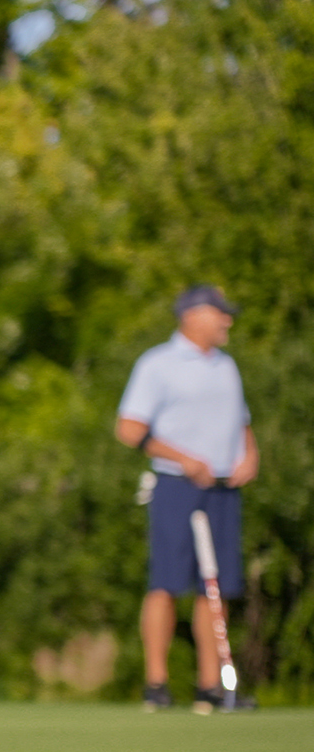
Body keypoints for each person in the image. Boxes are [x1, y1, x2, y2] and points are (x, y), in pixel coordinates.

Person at [114, 285, 259, 714]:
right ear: (193, 315)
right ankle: (156, 685)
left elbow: (242, 422)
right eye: (220, 313)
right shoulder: (157, 363)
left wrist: (250, 455)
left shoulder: (226, 365)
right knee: (165, 583)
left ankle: (211, 687)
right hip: (176, 485)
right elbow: (129, 429)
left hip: (223, 488)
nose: (228, 320)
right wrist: (184, 459)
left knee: (216, 588)